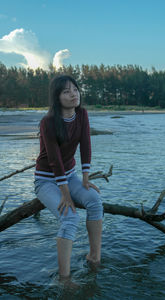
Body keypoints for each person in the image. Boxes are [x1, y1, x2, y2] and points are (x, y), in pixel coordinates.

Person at [34, 75, 103, 282]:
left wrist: (85, 178)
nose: (74, 94)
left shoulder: (82, 114)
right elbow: (54, 161)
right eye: (66, 91)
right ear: (57, 97)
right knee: (70, 216)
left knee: (95, 201)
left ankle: (94, 257)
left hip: (71, 176)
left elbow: (86, 145)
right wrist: (66, 195)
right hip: (46, 180)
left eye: (75, 89)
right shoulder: (48, 122)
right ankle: (65, 278)